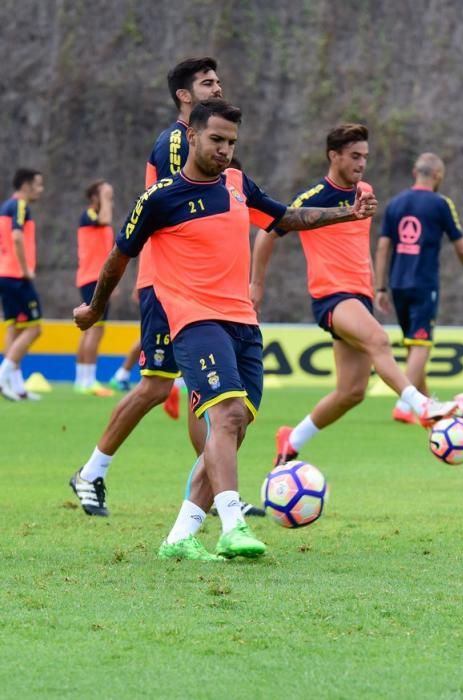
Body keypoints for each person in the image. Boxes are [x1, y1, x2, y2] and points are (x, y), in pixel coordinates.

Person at [73, 98, 379, 561]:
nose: (223, 149)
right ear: (191, 136)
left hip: (243, 323)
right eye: (216, 139)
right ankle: (233, 524)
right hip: (194, 320)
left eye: (231, 142)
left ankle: (180, 535)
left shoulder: (236, 182)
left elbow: (284, 218)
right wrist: (95, 309)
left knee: (231, 432)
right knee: (228, 416)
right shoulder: (161, 198)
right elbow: (119, 256)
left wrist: (348, 214)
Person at [69, 58, 262, 519]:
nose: (217, 86)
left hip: (198, 289)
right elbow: (174, 211)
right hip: (169, 283)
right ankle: (92, 472)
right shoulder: (176, 142)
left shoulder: (210, 140)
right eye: (207, 82)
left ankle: (217, 493)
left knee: (206, 395)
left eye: (218, 79)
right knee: (159, 387)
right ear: (184, 95)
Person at [250, 125, 459, 467]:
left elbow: (357, 246)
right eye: (354, 156)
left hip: (358, 297)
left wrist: (374, 285)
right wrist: (256, 284)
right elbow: (267, 233)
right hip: (331, 297)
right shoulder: (316, 195)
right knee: (379, 339)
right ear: (334, 156)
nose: (362, 163)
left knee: (351, 392)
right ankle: (422, 405)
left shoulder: (365, 192)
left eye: (365, 157)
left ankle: (292, 439)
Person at [374, 152, 463, 424]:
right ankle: (404, 405)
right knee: (422, 344)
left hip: (398, 283)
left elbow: (382, 246)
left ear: (415, 172)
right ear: (437, 176)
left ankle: (428, 409)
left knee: (414, 346)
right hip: (424, 284)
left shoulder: (395, 204)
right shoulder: (441, 204)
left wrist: (380, 287)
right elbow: (460, 245)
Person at [0, 168, 45, 401]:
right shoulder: (19, 206)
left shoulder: (5, 206)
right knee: (34, 328)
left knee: (14, 329)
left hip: (5, 274)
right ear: (26, 185)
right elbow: (17, 237)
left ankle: (16, 387)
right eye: (38, 184)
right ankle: (2, 376)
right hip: (17, 276)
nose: (41, 189)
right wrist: (26, 268)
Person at [74, 180, 115, 396]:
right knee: (96, 330)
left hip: (96, 279)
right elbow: (105, 218)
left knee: (90, 329)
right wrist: (105, 196)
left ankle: (82, 380)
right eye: (106, 195)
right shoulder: (90, 214)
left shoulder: (95, 218)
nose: (110, 200)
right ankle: (88, 380)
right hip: (92, 279)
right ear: (94, 198)